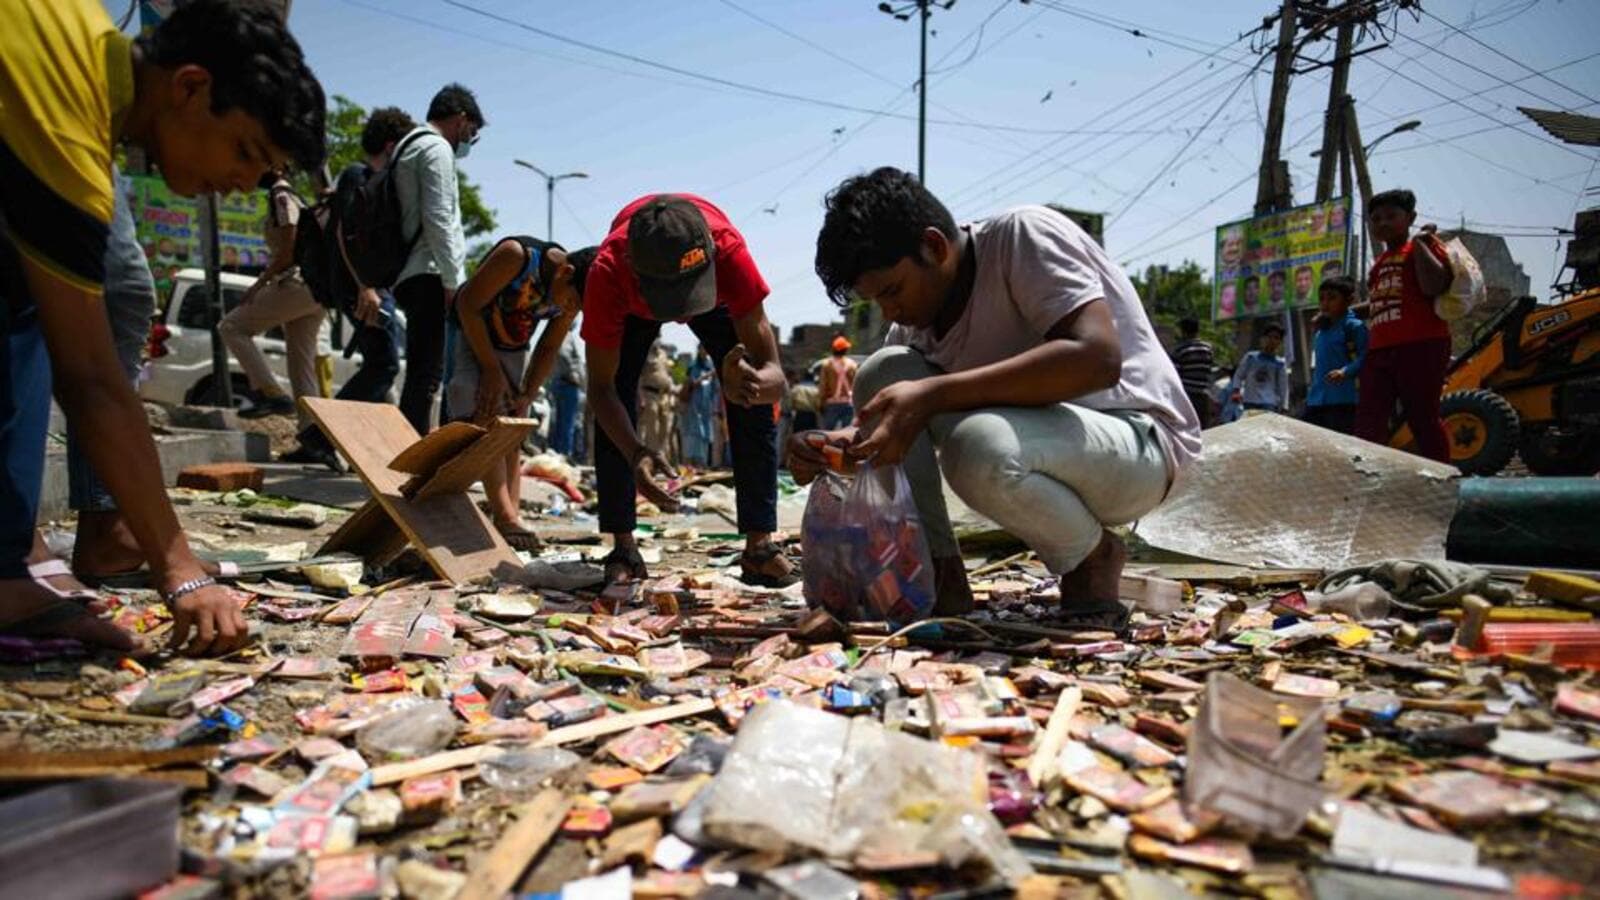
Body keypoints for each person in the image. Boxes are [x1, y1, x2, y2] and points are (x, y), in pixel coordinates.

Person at [0, 0, 324, 653]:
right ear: (190, 86)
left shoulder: (83, 45)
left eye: (258, 177)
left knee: (25, 300)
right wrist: (177, 569)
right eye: (243, 152)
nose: (238, 184)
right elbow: (90, 379)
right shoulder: (63, 121)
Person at [797, 167, 1201, 627]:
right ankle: (940, 577)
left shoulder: (1021, 236)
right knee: (885, 371)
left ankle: (1093, 557)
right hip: (1036, 451)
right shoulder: (913, 323)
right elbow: (897, 422)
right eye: (878, 301)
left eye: (893, 291)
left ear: (934, 246)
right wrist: (838, 446)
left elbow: (1097, 358)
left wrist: (933, 394)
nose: (891, 310)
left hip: (1136, 445)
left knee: (978, 446)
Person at [580, 194, 792, 587]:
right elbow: (601, 388)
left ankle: (760, 546)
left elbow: (775, 375)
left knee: (751, 396)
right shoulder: (607, 272)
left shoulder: (729, 251)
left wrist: (747, 384)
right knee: (618, 403)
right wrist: (635, 452)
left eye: (689, 297)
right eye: (670, 302)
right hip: (631, 304)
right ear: (632, 267)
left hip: (713, 286)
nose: (682, 315)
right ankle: (623, 546)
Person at [286, 107, 416, 469]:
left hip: (363, 286)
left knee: (381, 365)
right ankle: (320, 438)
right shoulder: (358, 176)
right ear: (391, 146)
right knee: (385, 365)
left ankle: (326, 440)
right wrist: (367, 287)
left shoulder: (364, 179)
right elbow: (347, 234)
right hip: (361, 287)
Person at [445, 235, 582, 551]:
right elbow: (467, 305)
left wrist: (528, 395)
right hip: (471, 329)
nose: (569, 310)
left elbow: (548, 345)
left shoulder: (573, 292)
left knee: (513, 421)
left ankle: (511, 512)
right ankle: (504, 515)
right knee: (483, 406)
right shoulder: (517, 256)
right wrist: (490, 370)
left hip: (513, 344)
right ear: (565, 274)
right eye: (570, 302)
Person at [393, 84, 484, 436]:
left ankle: (409, 448)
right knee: (428, 374)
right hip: (429, 272)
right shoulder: (435, 149)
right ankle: (412, 454)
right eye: (472, 134)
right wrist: (453, 282)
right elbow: (439, 217)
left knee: (421, 370)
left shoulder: (407, 146)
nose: (469, 143)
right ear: (461, 120)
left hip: (409, 271)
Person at [1354, 189, 1454, 463]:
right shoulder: (1380, 264)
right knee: (1368, 420)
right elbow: (1379, 303)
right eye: (1375, 219)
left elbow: (1434, 285)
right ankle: (1367, 476)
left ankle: (1443, 475)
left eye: (1391, 216)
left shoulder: (1423, 248)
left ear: (1410, 218)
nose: (1382, 223)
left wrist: (1422, 244)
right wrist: (1340, 314)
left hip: (1422, 345)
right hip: (1380, 349)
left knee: (1422, 416)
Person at [219, 171, 323, 422]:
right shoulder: (295, 197)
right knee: (302, 367)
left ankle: (271, 393)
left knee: (231, 326)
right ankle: (314, 437)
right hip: (317, 290)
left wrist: (258, 285)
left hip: (297, 283)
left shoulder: (282, 197)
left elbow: (287, 251)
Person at [1304, 276, 1366, 435]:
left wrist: (1345, 371)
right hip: (1316, 400)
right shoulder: (1321, 330)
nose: (1325, 303)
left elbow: (1366, 357)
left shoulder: (1354, 327)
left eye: (1332, 298)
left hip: (1343, 400)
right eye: (1322, 298)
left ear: (1349, 300)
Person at [1229, 323, 1289, 414]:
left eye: (1276, 338)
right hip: (1250, 401)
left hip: (1269, 404)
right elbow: (1238, 375)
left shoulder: (1280, 363)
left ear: (1279, 342)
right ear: (1263, 339)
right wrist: (1236, 391)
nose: (1272, 340)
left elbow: (1283, 386)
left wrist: (1284, 406)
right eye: (1269, 336)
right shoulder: (1251, 357)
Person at [1170, 318, 1215, 428]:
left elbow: (1174, 375)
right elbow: (1209, 370)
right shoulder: (1208, 348)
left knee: (1186, 428)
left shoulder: (1180, 350)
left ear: (1183, 331)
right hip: (1204, 394)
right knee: (1202, 428)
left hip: (1187, 395)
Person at [638, 343, 679, 463]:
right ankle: (653, 460)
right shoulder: (645, 353)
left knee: (665, 429)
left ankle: (664, 459)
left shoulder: (663, 354)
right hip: (649, 393)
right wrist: (641, 398)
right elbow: (639, 377)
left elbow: (668, 374)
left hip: (664, 395)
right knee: (652, 429)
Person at [548, 329, 586, 459]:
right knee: (566, 424)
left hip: (562, 383)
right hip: (567, 384)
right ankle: (563, 456)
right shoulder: (565, 334)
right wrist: (573, 374)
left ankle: (557, 454)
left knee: (561, 423)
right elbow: (563, 354)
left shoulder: (560, 334)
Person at [679, 346, 717, 468]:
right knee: (692, 436)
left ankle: (701, 466)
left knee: (704, 437)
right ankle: (689, 466)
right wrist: (706, 376)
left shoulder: (711, 366)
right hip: (693, 408)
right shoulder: (692, 366)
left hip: (706, 408)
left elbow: (714, 389)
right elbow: (691, 384)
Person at [818, 335, 858, 429]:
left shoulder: (827, 364)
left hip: (831, 404)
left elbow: (823, 386)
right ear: (845, 350)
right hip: (849, 403)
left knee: (828, 433)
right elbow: (857, 384)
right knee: (847, 433)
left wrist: (820, 403)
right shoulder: (852, 364)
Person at [789, 364, 820, 433]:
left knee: (797, 435)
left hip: (799, 415)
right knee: (810, 435)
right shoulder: (816, 390)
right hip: (811, 416)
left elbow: (791, 402)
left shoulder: (797, 388)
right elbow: (818, 405)